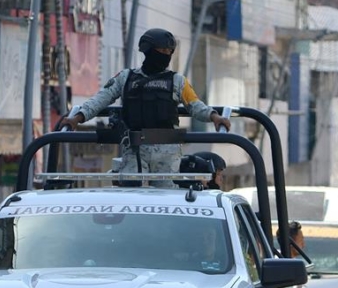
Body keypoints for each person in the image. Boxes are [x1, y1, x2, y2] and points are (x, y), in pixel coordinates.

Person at [61, 28, 231, 187]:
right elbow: (101, 99)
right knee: (131, 198)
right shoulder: (126, 78)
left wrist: (214, 117)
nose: (165, 55)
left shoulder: (177, 81)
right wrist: (78, 117)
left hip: (167, 152)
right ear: (147, 50)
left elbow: (195, 105)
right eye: (161, 51)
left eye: (169, 52)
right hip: (134, 150)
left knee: (165, 202)